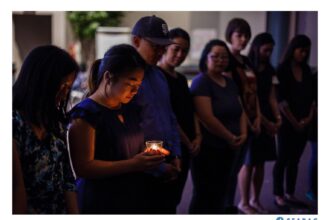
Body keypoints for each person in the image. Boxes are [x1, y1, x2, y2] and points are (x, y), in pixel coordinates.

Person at [68, 44, 165, 214]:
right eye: (130, 83)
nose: (135, 90)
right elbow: (83, 167)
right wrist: (133, 164)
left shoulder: (129, 108)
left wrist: (149, 155)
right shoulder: (86, 114)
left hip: (129, 196)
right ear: (108, 77)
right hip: (100, 201)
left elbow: (128, 147)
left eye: (139, 85)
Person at [12, 45, 79, 214]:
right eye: (62, 86)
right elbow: (14, 187)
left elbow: (67, 180)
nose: (65, 94)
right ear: (42, 82)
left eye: (68, 88)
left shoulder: (54, 122)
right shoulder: (14, 123)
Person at [189, 39, 247, 214]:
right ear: (206, 58)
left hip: (231, 147)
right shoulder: (201, 82)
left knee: (222, 191)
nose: (221, 60)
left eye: (224, 57)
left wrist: (243, 133)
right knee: (204, 194)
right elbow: (207, 118)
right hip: (209, 148)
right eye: (216, 57)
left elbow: (240, 109)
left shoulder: (229, 82)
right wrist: (230, 137)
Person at [131, 15, 182, 213]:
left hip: (166, 160)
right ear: (136, 41)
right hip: (140, 168)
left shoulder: (159, 75)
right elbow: (127, 130)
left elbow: (170, 117)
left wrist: (176, 153)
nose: (161, 52)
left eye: (163, 47)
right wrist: (158, 167)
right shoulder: (125, 77)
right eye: (155, 46)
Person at [158, 27, 202, 207]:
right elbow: (168, 115)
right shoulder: (157, 76)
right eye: (176, 49)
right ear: (165, 48)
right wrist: (187, 140)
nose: (180, 54)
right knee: (165, 197)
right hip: (171, 144)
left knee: (177, 196)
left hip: (189, 145)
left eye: (184, 50)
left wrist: (198, 136)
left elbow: (191, 111)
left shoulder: (182, 79)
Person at [273, 35, 315, 210]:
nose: (303, 54)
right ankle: (278, 194)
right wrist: (294, 121)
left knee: (295, 160)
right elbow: (280, 100)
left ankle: (290, 192)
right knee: (282, 158)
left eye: (306, 51)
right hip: (287, 122)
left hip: (305, 122)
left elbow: (314, 98)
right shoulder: (281, 70)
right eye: (300, 50)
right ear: (293, 49)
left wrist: (308, 118)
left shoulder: (307, 70)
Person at [225, 17, 262, 214]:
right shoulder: (226, 59)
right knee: (234, 166)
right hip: (237, 119)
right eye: (239, 35)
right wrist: (247, 120)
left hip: (253, 115)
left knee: (249, 161)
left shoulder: (247, 60)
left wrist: (257, 117)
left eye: (247, 36)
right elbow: (234, 94)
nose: (244, 39)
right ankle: (233, 205)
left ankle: (244, 202)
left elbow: (253, 90)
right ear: (230, 35)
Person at [246, 32, 282, 213]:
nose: (268, 54)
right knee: (249, 162)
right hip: (252, 117)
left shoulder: (270, 70)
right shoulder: (247, 66)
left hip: (267, 117)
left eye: (271, 51)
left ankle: (255, 199)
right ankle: (243, 202)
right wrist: (265, 121)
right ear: (256, 47)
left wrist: (277, 118)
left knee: (261, 162)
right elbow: (249, 96)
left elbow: (272, 97)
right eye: (266, 50)